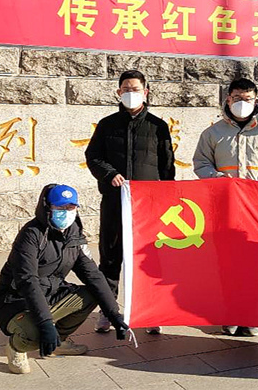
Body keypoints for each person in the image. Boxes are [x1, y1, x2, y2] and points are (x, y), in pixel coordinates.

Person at [0, 184, 130, 375]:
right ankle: (16, 348)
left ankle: (57, 341)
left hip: (52, 292)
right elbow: (28, 281)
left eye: (71, 207)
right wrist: (45, 324)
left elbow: (92, 275)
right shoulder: (31, 234)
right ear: (47, 207)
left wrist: (113, 313)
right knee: (34, 334)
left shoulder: (74, 233)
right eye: (60, 207)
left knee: (92, 293)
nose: (66, 212)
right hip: (16, 301)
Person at [193, 77, 258, 337]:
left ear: (256, 100)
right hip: (225, 208)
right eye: (237, 98)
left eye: (247, 99)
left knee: (256, 264)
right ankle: (231, 314)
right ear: (228, 99)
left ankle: (250, 315)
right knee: (227, 263)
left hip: (257, 209)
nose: (242, 103)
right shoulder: (213, 133)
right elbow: (200, 163)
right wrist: (216, 177)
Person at [85, 69, 176, 334]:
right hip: (115, 201)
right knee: (110, 257)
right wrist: (109, 174)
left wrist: (166, 197)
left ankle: (150, 312)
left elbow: (167, 166)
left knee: (148, 259)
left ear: (145, 93)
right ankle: (108, 311)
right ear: (118, 92)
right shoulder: (107, 124)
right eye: (125, 89)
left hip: (148, 206)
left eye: (135, 89)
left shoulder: (158, 127)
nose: (130, 93)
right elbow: (93, 156)